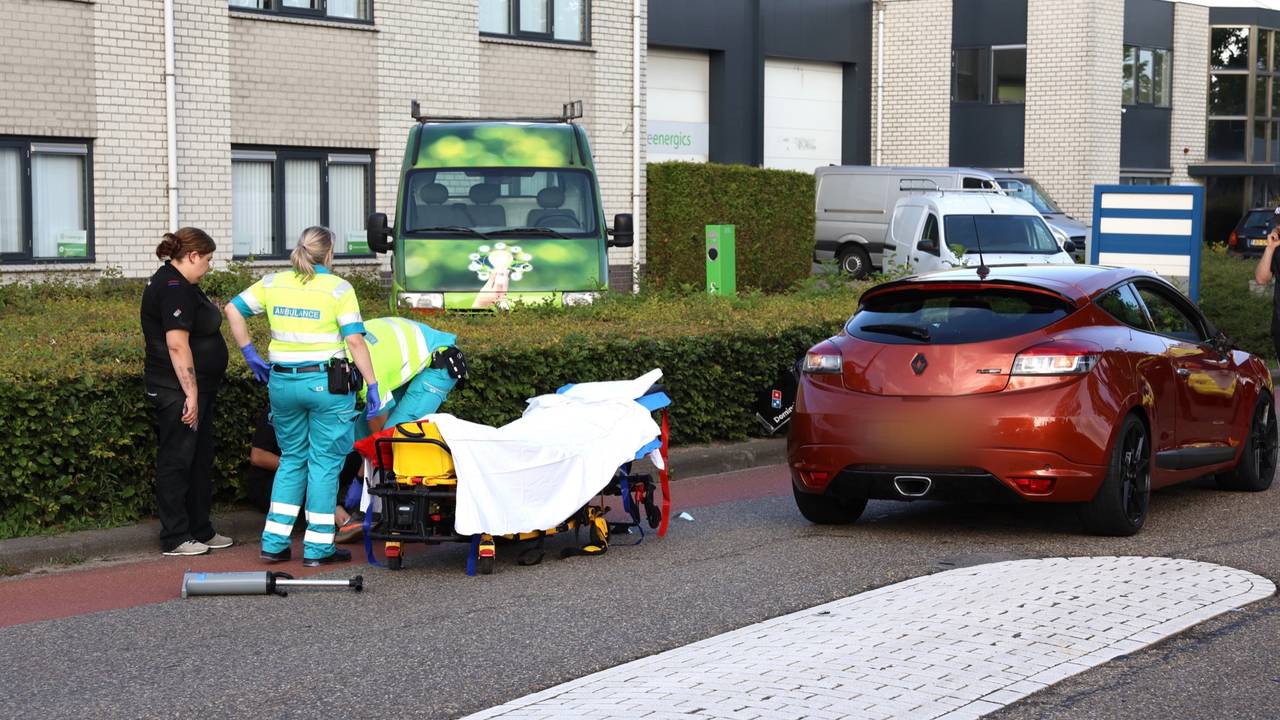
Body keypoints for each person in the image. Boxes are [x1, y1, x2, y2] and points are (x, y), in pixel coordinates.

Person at [225, 226, 380, 567]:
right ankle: (318, 547)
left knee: (293, 458)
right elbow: (355, 341)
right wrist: (372, 384)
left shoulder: (272, 282)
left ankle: (274, 543)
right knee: (324, 463)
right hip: (327, 385)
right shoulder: (339, 289)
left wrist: (250, 353)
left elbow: (233, 309)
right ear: (329, 253)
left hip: (281, 383)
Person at [140, 227, 233, 557]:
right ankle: (175, 536)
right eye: (207, 259)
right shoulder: (173, 286)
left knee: (198, 459)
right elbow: (177, 345)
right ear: (192, 256)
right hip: (176, 389)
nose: (208, 266)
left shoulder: (183, 284)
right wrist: (190, 394)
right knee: (178, 460)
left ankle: (200, 529)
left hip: (197, 389)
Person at [243, 405, 365, 542]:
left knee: (353, 457)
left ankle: (359, 507)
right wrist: (304, 469)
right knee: (304, 477)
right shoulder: (276, 412)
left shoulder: (321, 410)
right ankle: (341, 519)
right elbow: (258, 457)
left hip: (308, 470)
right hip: (271, 480)